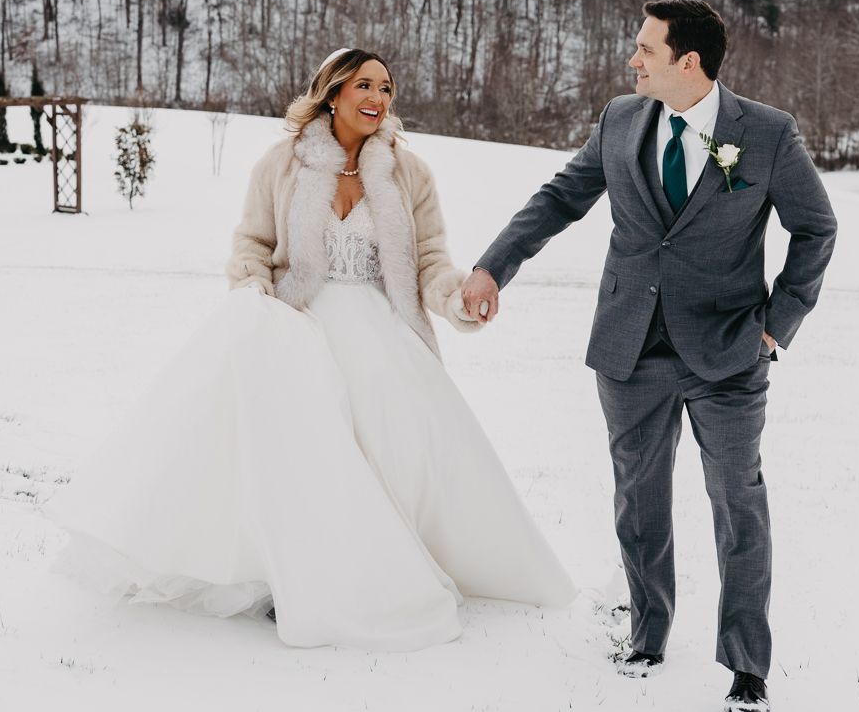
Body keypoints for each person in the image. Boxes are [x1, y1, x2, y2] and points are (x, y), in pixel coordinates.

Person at [51, 48, 575, 650]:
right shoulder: (282, 164)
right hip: (295, 327)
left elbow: (430, 260)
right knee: (297, 450)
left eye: (387, 88)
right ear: (333, 93)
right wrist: (253, 296)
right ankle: (285, 572)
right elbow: (251, 244)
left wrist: (458, 300)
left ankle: (377, 562)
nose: (379, 98)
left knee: (393, 440)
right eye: (365, 86)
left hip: (383, 329)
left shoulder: (411, 173)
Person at [461, 0, 837, 712]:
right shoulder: (619, 120)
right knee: (639, 501)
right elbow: (560, 198)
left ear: (686, 61)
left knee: (738, 505)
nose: (631, 60)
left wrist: (774, 325)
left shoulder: (763, 134)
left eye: (644, 49)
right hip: (629, 348)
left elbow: (815, 229)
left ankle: (747, 672)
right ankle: (646, 634)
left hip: (728, 354)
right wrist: (490, 269)